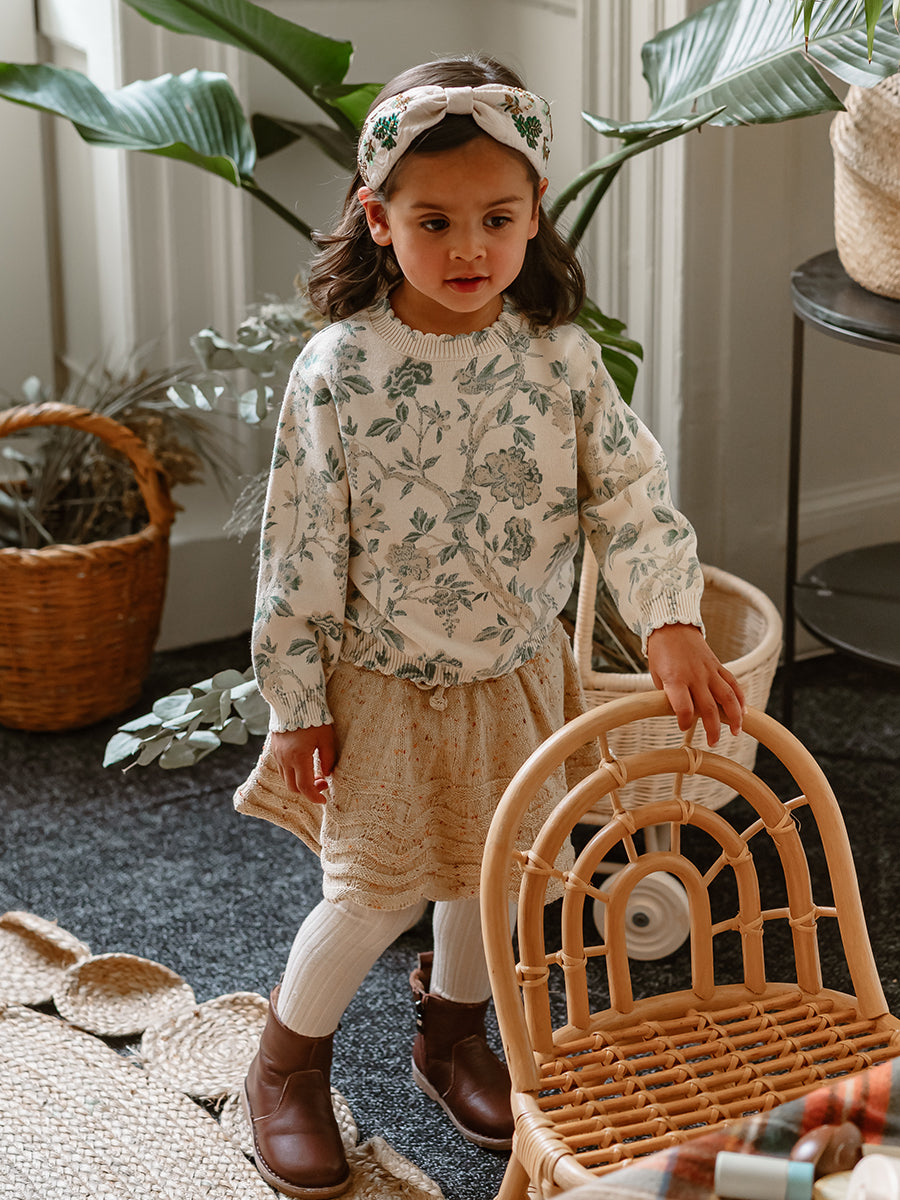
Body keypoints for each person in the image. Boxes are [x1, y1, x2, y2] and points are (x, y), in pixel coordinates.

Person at [233, 52, 745, 1199]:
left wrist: (669, 618)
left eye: (497, 220)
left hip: (515, 674)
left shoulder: (560, 359)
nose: (470, 248)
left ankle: (452, 1036)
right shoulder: (340, 369)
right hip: (386, 687)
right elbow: (297, 547)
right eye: (435, 222)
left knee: (492, 872)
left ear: (535, 213)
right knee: (373, 894)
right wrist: (295, 700)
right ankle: (283, 1065)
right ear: (379, 220)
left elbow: (630, 496)